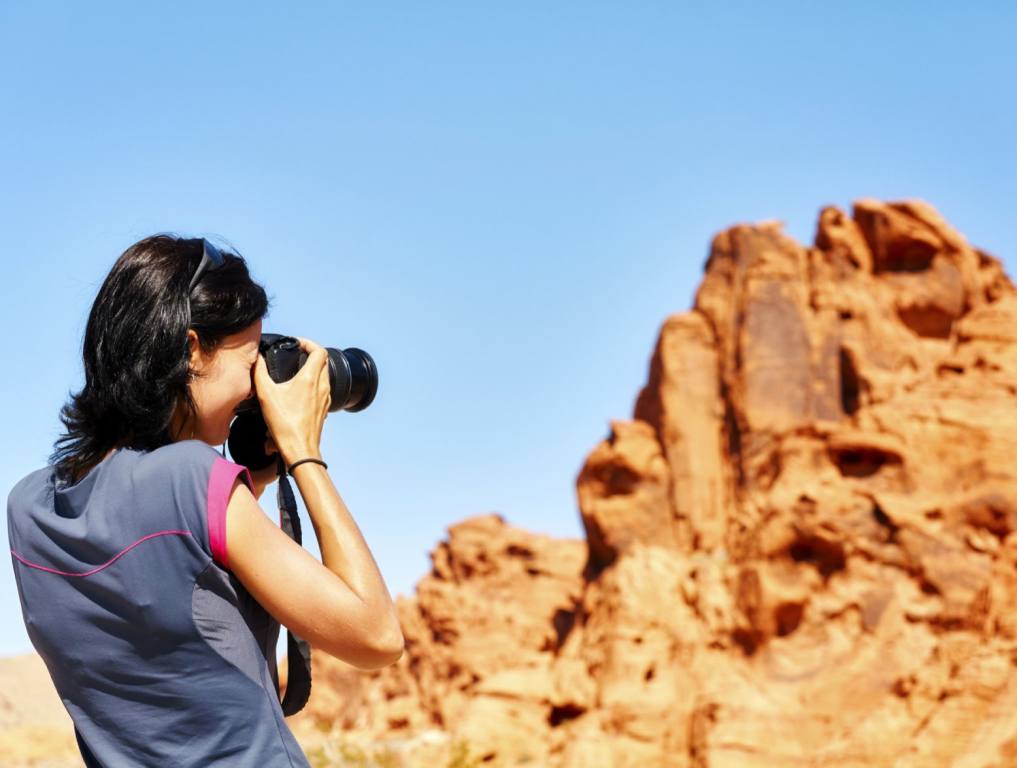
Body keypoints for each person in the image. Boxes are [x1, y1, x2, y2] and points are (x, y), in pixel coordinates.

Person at [5, 235, 404, 767]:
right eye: (250, 361)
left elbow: (175, 600)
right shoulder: (191, 478)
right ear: (191, 349)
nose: (256, 388)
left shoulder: (29, 506)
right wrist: (303, 452)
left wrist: (247, 486)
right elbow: (375, 637)